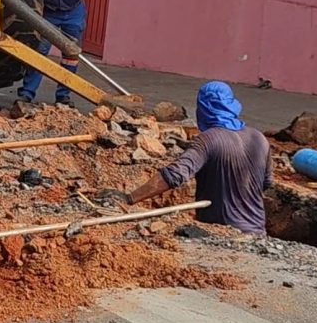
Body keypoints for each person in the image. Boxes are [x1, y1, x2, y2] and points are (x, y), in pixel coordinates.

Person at [106, 81, 273, 235]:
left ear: (203, 108)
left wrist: (130, 198)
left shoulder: (209, 139)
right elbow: (266, 183)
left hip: (222, 235)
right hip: (258, 233)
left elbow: (174, 175)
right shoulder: (259, 138)